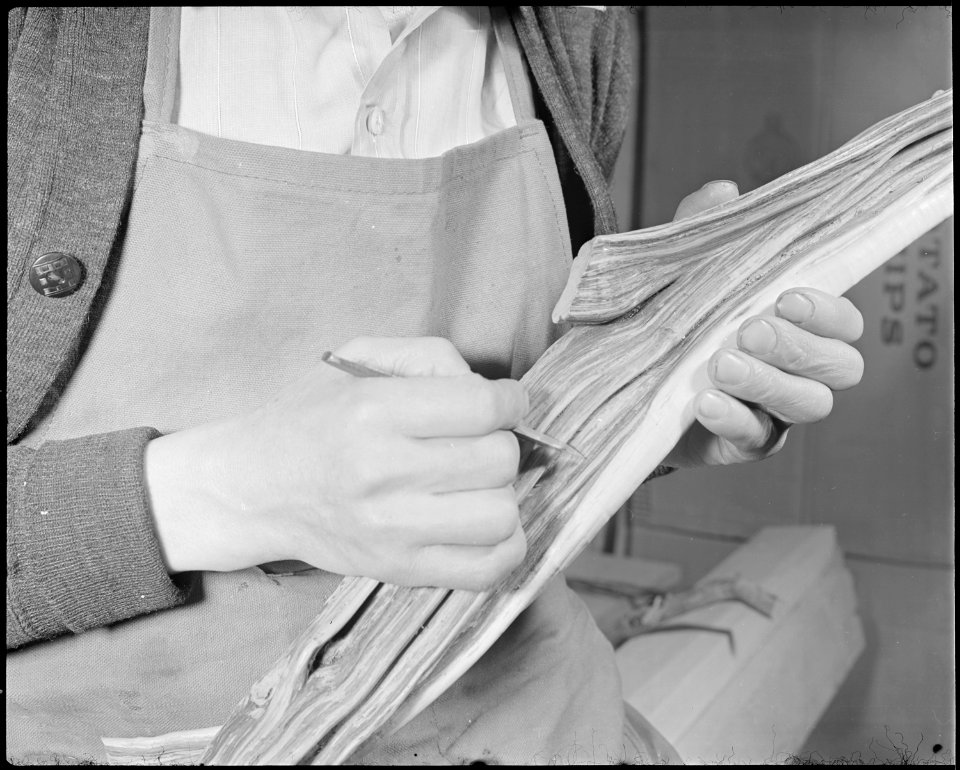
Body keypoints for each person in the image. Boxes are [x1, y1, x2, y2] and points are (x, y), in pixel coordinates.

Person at [6, 7, 864, 765]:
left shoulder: (575, 32)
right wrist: (239, 494)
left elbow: (515, 427)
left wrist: (654, 389)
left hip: (529, 723)